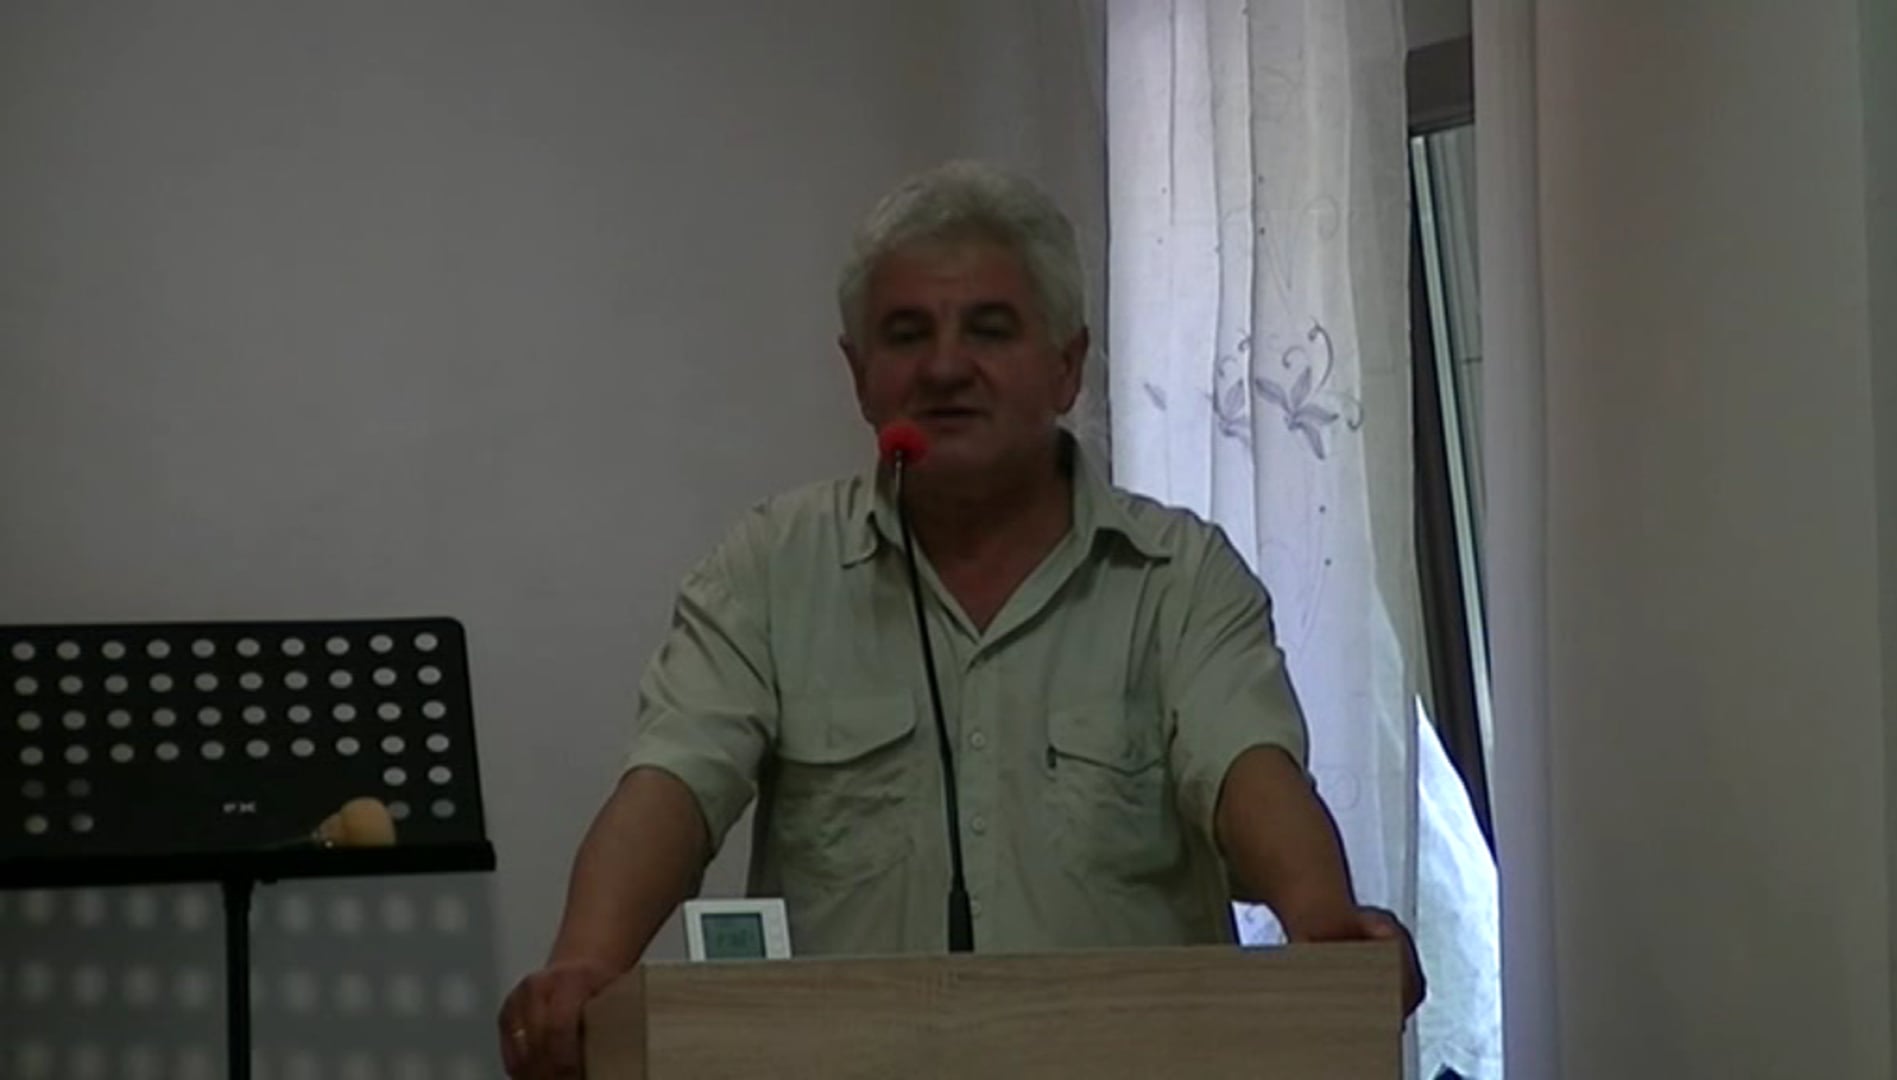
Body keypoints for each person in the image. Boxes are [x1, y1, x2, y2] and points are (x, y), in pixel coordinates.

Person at [498, 161, 1424, 1078]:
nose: (944, 368)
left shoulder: (1178, 577)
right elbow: (674, 784)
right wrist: (585, 964)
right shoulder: (771, 571)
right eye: (906, 336)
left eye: (990, 330)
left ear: (1067, 367)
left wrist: (1320, 919)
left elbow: (1247, 767)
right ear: (861, 378)